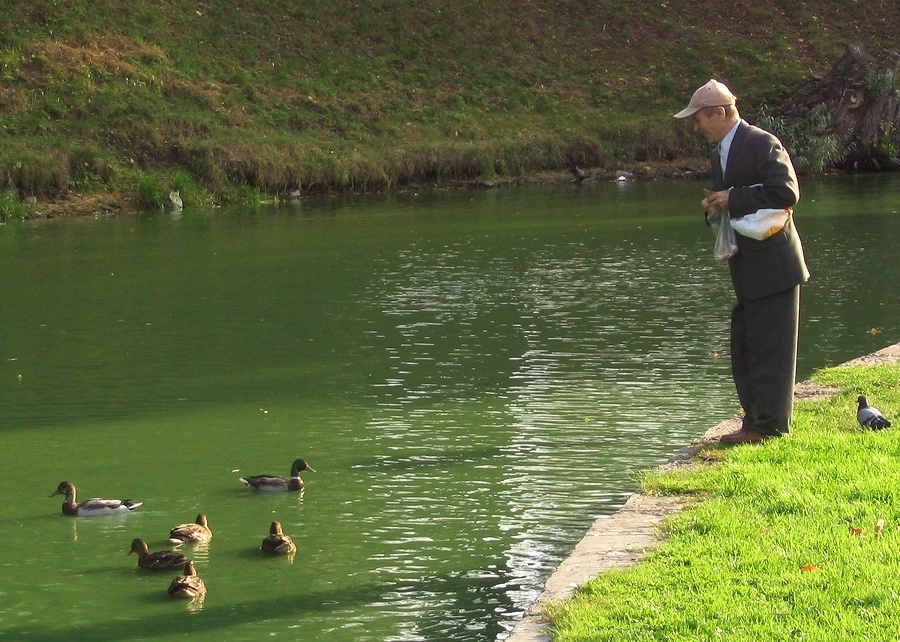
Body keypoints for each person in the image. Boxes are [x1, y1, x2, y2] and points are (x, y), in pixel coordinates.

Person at [674, 79, 810, 444]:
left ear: (719, 113)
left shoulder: (761, 142)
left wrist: (732, 197)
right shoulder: (721, 151)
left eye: (699, 118)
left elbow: (786, 192)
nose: (696, 127)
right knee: (747, 344)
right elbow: (733, 200)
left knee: (772, 348)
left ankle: (769, 427)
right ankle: (755, 421)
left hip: (775, 265)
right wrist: (716, 207)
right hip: (747, 263)